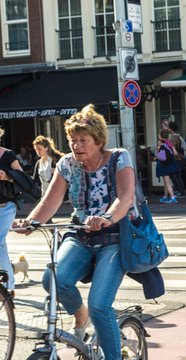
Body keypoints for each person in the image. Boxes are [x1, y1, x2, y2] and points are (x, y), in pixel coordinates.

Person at [13, 104, 137, 359]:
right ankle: (80, 314)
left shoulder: (118, 157)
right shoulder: (67, 164)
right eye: (72, 140)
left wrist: (105, 218)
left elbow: (125, 197)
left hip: (114, 237)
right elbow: (50, 201)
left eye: (83, 140)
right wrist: (30, 222)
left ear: (99, 140)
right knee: (53, 278)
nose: (76, 145)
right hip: (80, 235)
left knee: (100, 305)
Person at [0, 129, 23, 298]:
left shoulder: (8, 155)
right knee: (1, 246)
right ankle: (8, 284)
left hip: (5, 207)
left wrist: (7, 175)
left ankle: (8, 286)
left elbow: (22, 177)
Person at [156, 129, 178, 204]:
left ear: (160, 135)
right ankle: (165, 196)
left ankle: (172, 197)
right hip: (170, 163)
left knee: (166, 181)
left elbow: (158, 153)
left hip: (163, 164)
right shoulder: (169, 142)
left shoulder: (160, 142)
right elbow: (175, 153)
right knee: (166, 181)